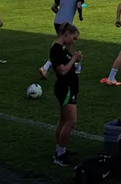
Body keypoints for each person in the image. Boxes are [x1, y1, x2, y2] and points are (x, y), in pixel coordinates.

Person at [40, 0, 86, 80]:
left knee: (62, 46)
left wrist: (59, 14)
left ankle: (51, 67)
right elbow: (79, 5)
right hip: (66, 24)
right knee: (65, 47)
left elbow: (53, 7)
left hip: (57, 22)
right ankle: (48, 67)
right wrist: (80, 15)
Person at [50, 23, 82, 167]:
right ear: (66, 33)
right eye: (73, 38)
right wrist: (74, 58)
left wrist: (74, 57)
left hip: (68, 87)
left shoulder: (62, 48)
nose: (73, 42)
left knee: (63, 120)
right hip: (66, 88)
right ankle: (60, 156)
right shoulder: (56, 49)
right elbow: (62, 71)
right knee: (71, 121)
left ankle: (59, 151)